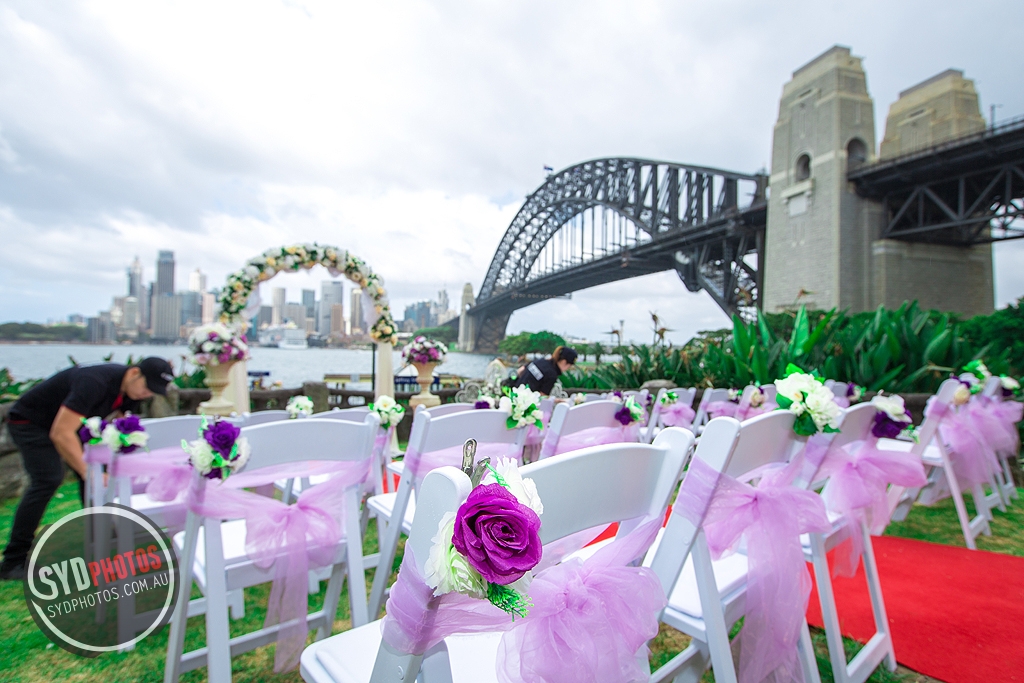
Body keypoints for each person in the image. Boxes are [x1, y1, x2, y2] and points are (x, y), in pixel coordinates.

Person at [0, 357, 174, 580]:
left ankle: (100, 534)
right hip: (31, 422)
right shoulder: (94, 382)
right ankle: (13, 560)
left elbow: (122, 426)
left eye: (153, 391)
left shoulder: (130, 392)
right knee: (48, 479)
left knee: (96, 470)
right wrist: (87, 472)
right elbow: (61, 433)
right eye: (147, 387)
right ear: (133, 373)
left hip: (68, 425)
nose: (147, 394)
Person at [506, 346, 578, 396]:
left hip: (513, 393)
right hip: (525, 401)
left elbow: (520, 371)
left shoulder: (540, 361)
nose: (568, 369)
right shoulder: (552, 374)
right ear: (564, 362)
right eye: (569, 366)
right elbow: (543, 396)